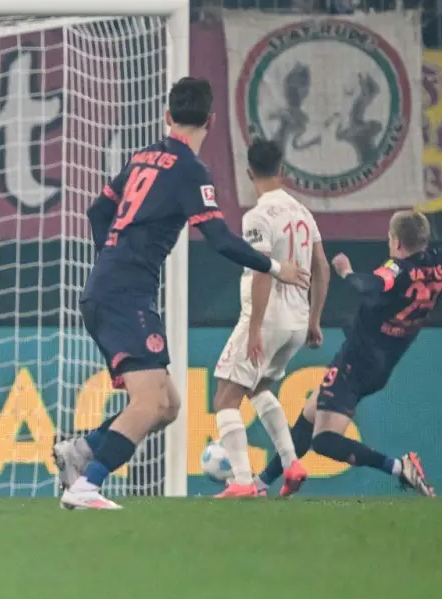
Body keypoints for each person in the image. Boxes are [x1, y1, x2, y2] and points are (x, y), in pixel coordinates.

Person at [52, 77, 309, 510]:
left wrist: (109, 257)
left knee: (168, 404)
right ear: (211, 119)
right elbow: (220, 239)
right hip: (123, 293)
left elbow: (98, 210)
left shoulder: (142, 157)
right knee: (150, 400)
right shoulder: (190, 170)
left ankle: (80, 450)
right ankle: (86, 485)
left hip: (113, 287)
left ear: (168, 116)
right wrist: (275, 267)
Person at [256, 211, 442, 495]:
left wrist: (347, 271)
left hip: (357, 360)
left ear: (396, 241)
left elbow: (369, 285)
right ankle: (261, 484)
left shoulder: (397, 269)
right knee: (309, 417)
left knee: (323, 440)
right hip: (383, 366)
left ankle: (398, 466)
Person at [209, 139, 328, 498]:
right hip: (297, 318)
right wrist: (314, 320)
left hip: (269, 317)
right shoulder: (304, 212)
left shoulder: (257, 216)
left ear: (249, 174)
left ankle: (243, 481)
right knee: (259, 389)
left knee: (225, 400)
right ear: (283, 171)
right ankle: (292, 463)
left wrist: (255, 329)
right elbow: (322, 268)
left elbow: (262, 272)